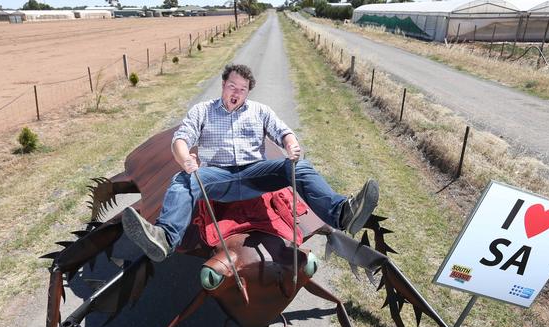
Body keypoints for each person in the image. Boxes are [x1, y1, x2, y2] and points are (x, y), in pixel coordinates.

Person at [122, 64, 379, 262]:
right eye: (232, 86)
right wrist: (185, 158)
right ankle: (165, 239)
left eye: (242, 89)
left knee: (298, 167)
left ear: (248, 92)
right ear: (223, 85)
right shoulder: (202, 111)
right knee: (182, 180)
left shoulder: (260, 111)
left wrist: (291, 144)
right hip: (216, 177)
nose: (236, 93)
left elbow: (282, 131)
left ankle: (342, 213)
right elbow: (181, 138)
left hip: (255, 174)